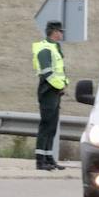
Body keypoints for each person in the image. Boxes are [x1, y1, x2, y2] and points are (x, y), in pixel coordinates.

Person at [32, 20, 68, 170]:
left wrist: (63, 85)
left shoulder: (54, 47)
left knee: (52, 126)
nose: (62, 34)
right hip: (48, 89)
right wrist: (60, 86)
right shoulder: (45, 49)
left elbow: (59, 71)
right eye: (60, 31)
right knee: (46, 125)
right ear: (54, 32)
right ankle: (40, 161)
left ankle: (48, 157)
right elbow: (47, 73)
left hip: (55, 90)